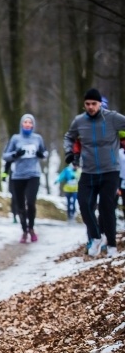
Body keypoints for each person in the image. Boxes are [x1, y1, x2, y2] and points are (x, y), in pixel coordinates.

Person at [63, 88, 125, 257]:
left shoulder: (113, 118)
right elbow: (69, 137)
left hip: (110, 170)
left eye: (94, 104)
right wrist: (69, 152)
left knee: (107, 208)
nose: (91, 107)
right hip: (89, 171)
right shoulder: (79, 121)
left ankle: (112, 246)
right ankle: (96, 237)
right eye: (87, 104)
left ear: (100, 104)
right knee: (84, 205)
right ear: (84, 105)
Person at [2, 114, 47, 243]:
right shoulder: (16, 139)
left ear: (33, 125)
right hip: (18, 176)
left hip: (34, 174)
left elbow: (45, 153)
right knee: (20, 205)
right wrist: (15, 154)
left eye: (30, 122)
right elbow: (5, 156)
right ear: (22, 124)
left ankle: (31, 228)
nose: (27, 124)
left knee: (31, 203)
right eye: (25, 122)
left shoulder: (37, 138)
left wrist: (41, 154)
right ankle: (24, 231)